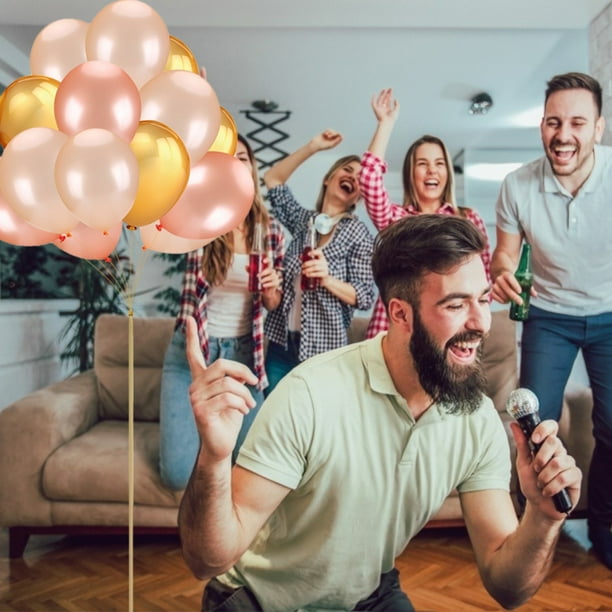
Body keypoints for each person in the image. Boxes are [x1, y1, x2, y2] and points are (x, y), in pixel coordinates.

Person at [179, 214, 581, 611]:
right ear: (400, 314)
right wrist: (213, 458)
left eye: (483, 300)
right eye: (456, 305)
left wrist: (542, 518)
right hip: (260, 599)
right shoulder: (311, 393)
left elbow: (508, 588)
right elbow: (209, 560)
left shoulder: (476, 420)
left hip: (364, 594)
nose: (481, 323)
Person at [491, 71, 612, 570]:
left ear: (598, 129)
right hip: (548, 317)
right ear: (542, 125)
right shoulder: (517, 186)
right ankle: (532, 525)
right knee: (535, 424)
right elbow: (503, 258)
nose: (564, 135)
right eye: (553, 122)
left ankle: (602, 525)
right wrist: (501, 276)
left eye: (577, 123)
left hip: (609, 314)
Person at [158, 134, 285, 490]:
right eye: (227, 157)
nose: (235, 163)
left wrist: (273, 287)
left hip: (245, 356)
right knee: (176, 474)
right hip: (193, 353)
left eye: (242, 157)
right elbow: (188, 308)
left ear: (252, 167)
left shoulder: (269, 229)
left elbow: (272, 304)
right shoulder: (200, 221)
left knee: (252, 462)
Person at [359, 87, 492, 339]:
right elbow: (368, 178)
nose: (432, 171)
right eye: (423, 164)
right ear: (411, 174)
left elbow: (484, 284)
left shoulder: (468, 220)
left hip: (450, 332)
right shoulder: (396, 221)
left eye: (439, 163)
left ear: (448, 173)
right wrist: (386, 124)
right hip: (395, 331)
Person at [261, 129, 376, 394]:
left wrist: (326, 279)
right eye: (347, 169)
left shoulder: (357, 233)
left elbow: (365, 296)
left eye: (360, 178)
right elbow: (272, 178)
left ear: (359, 196)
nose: (352, 177)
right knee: (273, 423)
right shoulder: (303, 222)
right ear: (328, 179)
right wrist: (313, 146)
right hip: (281, 345)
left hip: (325, 351)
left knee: (315, 429)